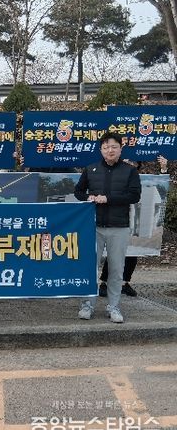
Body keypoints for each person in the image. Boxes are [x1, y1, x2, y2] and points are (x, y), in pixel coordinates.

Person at [74, 131, 141, 324]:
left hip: (119, 227)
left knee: (116, 270)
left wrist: (108, 198)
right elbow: (78, 191)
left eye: (114, 147)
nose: (110, 150)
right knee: (90, 268)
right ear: (101, 150)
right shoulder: (91, 169)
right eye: (106, 147)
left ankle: (114, 307)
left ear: (120, 149)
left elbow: (134, 196)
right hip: (93, 226)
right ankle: (87, 305)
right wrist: (88, 197)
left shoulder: (130, 171)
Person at [98, 155, 169, 298]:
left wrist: (163, 169)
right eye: (128, 160)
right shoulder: (114, 175)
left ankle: (124, 283)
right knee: (114, 253)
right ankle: (105, 283)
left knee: (132, 252)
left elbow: (160, 184)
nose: (130, 163)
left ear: (138, 165)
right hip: (117, 220)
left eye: (134, 162)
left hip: (135, 221)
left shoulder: (140, 179)